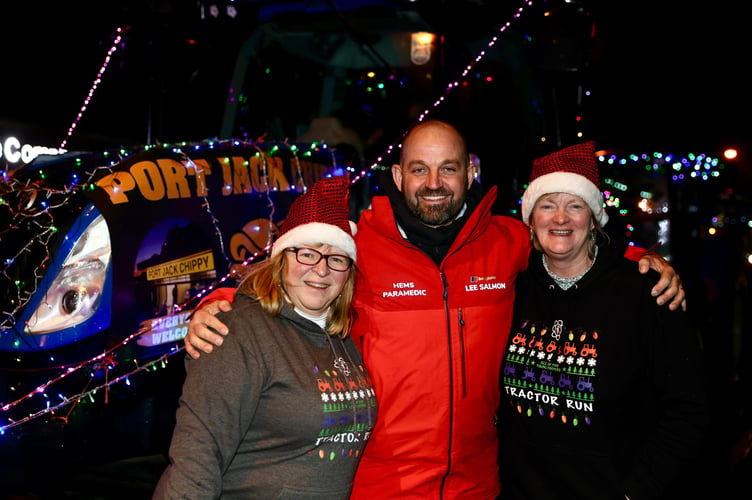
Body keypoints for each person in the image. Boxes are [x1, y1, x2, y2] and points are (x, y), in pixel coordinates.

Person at [183, 120, 685, 498]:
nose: (434, 183)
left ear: (470, 172)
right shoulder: (359, 247)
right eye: (419, 169)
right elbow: (291, 276)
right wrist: (221, 301)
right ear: (399, 176)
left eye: (449, 168)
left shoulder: (506, 239)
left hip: (477, 484)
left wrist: (640, 259)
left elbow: (570, 242)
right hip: (378, 484)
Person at [498, 142, 707, 499]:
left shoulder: (645, 292)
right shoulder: (513, 289)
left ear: (593, 219)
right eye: (547, 205)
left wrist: (635, 491)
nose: (560, 218)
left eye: (575, 206)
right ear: (531, 221)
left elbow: (690, 409)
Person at [153, 176, 378, 499]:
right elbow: (198, 453)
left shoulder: (341, 337)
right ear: (282, 259)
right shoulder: (237, 333)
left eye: (337, 259)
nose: (322, 269)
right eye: (307, 254)